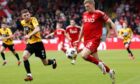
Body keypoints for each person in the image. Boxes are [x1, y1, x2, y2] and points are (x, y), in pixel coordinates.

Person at [75, 0, 116, 83]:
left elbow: (110, 22)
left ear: (92, 4)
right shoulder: (85, 14)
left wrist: (116, 34)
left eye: (88, 6)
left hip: (94, 39)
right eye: (85, 6)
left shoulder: (99, 13)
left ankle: (99, 64)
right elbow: (83, 27)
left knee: (83, 55)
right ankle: (110, 71)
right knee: (97, 59)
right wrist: (79, 40)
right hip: (86, 40)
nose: (86, 8)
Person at [20, 9, 57, 81]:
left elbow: (37, 28)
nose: (27, 16)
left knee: (45, 63)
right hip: (30, 44)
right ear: (22, 17)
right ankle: (29, 75)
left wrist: (29, 35)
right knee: (24, 57)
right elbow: (25, 29)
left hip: (38, 44)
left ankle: (53, 61)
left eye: (28, 15)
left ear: (29, 14)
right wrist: (26, 35)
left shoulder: (33, 19)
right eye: (25, 15)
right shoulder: (22, 22)